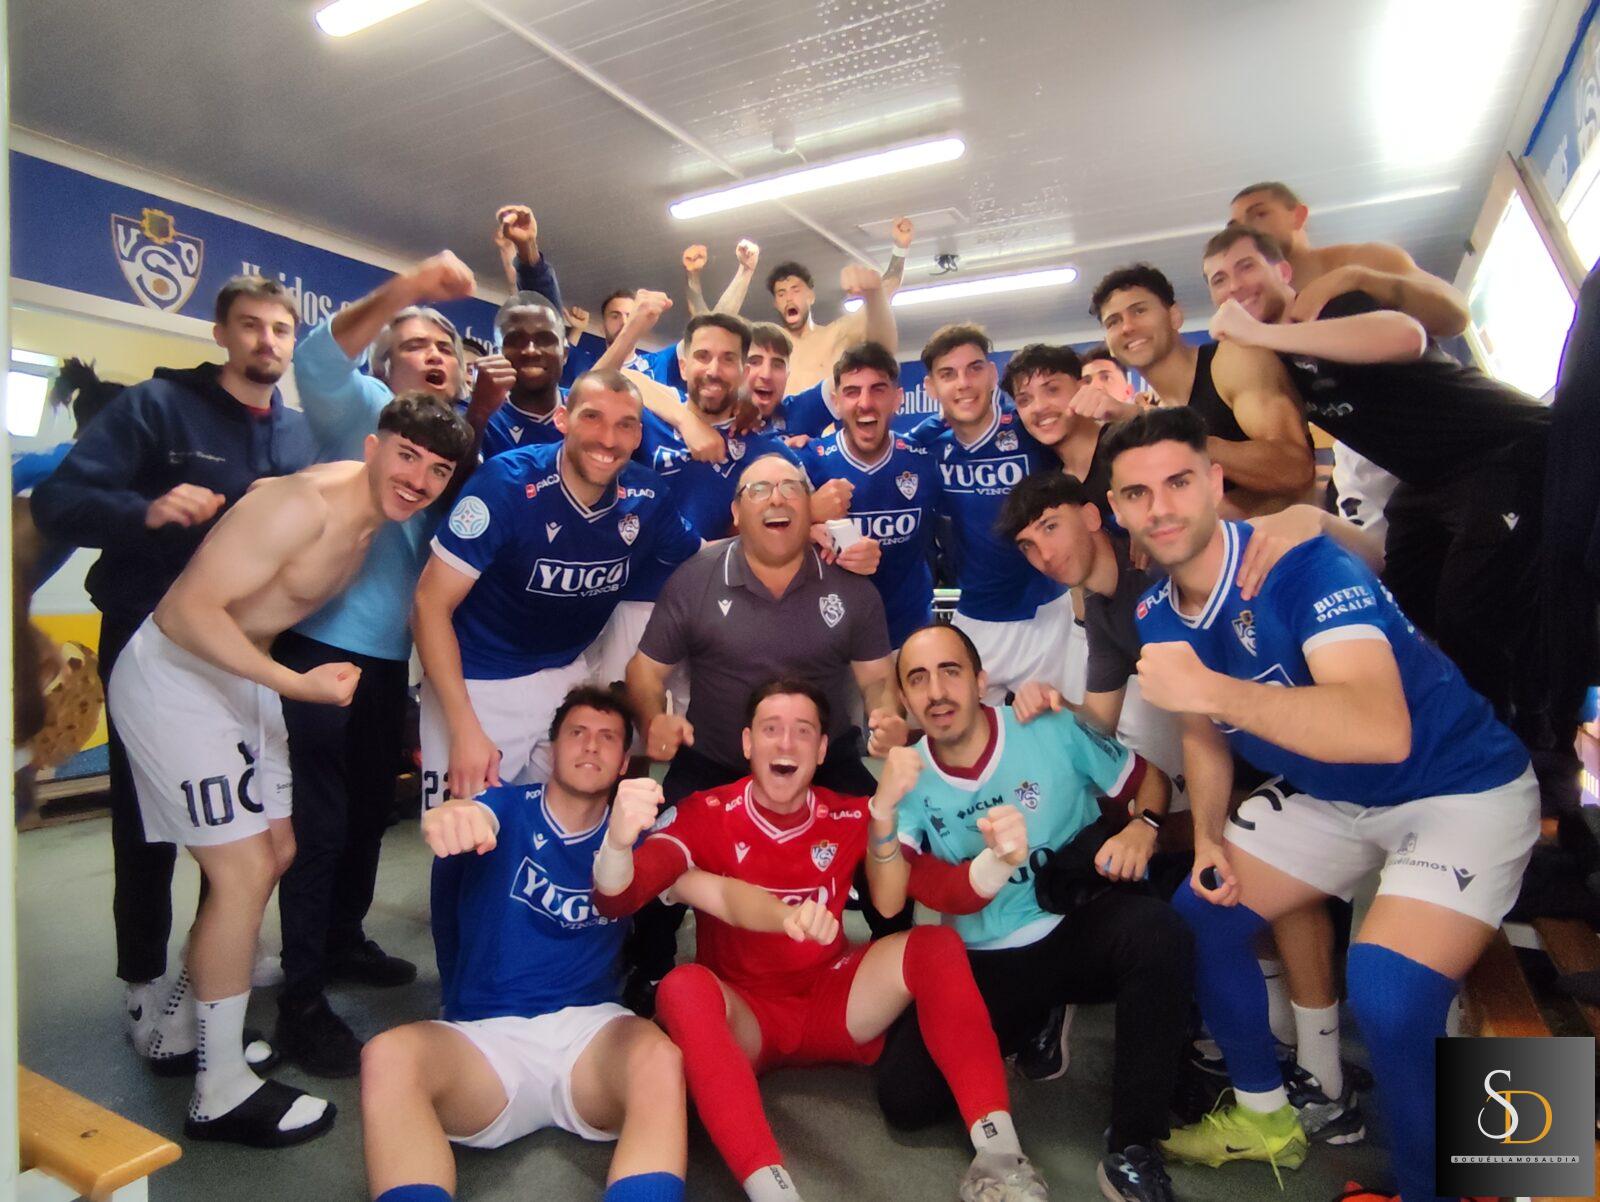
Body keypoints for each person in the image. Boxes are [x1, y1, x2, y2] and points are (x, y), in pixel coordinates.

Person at [1105, 407, 1538, 1202]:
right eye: (1137, 493)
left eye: (1177, 482)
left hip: (1459, 788)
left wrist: (1211, 687)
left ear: (1214, 482)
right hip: (1335, 796)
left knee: (1388, 994)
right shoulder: (1155, 612)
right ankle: (1269, 1117)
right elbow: (1203, 735)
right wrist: (1208, 837)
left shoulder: (1302, 566)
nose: (1160, 508)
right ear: (1118, 508)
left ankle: (1436, 1188)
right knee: (1197, 914)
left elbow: (1380, 729)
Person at [106, 392, 475, 1148]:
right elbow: (186, 613)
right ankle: (219, 1091)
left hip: (240, 681)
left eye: (437, 470)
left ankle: (179, 1023)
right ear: (373, 447)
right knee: (242, 871)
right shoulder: (299, 506)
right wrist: (298, 686)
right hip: (176, 678)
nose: (418, 479)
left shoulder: (378, 518)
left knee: (277, 851)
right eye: (407, 456)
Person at [362, 684, 830, 1202]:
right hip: (485, 1038)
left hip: (591, 1038)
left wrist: (786, 914)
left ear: (624, 762)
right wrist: (449, 817)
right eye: (577, 733)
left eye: (608, 738)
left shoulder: (634, 840)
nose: (590, 745)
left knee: (660, 1058)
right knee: (388, 1056)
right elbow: (469, 815)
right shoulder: (506, 806)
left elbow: (717, 892)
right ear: (552, 749)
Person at [592, 679, 1049, 1202]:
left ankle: (1001, 1154)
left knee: (934, 945)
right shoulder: (703, 811)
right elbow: (619, 897)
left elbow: (938, 888)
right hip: (746, 1016)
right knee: (682, 987)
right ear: (747, 743)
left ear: (823, 749)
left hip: (833, 998)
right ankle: (773, 1191)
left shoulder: (849, 813)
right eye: (771, 729)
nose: (786, 743)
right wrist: (618, 843)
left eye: (803, 731)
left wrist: (998, 862)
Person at [31, 275, 317, 1065]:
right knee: (150, 821)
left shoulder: (297, 437)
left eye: (280, 328)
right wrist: (145, 510)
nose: (266, 340)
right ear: (221, 334)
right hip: (147, 637)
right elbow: (58, 501)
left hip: (243, 646)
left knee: (242, 818)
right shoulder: (156, 409)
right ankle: (143, 982)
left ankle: (210, 968)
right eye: (250, 325)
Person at [273, 249, 500, 1076]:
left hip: (384, 662)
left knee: (369, 814)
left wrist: (483, 410)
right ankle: (299, 1001)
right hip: (316, 650)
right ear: (384, 366)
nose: (434, 355)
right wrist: (410, 289)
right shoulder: (364, 408)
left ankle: (342, 941)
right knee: (320, 830)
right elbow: (316, 358)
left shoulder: (445, 446)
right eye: (415, 346)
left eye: (445, 346)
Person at [868, 624, 1187, 1202]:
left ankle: (1136, 1144)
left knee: (1159, 933)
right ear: (907, 699)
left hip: (1075, 924)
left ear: (980, 681)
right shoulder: (908, 772)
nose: (936, 691)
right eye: (918, 679)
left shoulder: (1046, 726)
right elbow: (889, 900)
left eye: (950, 672)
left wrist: (1143, 827)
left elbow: (1149, 781)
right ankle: (1038, 1019)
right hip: (988, 957)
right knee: (905, 1099)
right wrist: (884, 807)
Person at [1200, 225, 1552, 748]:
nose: (1235, 285)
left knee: (1469, 610)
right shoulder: (1272, 365)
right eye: (1219, 280)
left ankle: (1523, 752)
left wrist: (1262, 334)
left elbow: (1405, 337)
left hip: (1507, 448)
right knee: (1400, 599)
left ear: (1284, 271)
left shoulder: (1328, 309)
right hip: (1431, 482)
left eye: (1246, 266)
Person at [622, 452, 897, 1003]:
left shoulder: (850, 586)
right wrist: (654, 718)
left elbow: (877, 680)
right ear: (736, 512)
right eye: (759, 489)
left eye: (791, 487)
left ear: (809, 507)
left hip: (825, 761)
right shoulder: (696, 579)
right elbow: (644, 672)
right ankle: (649, 975)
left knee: (889, 839)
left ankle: (897, 968)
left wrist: (885, 713)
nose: (776, 498)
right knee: (654, 848)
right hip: (716, 757)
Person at [413, 371, 702, 809]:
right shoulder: (505, 484)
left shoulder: (648, 496)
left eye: (624, 425)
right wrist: (463, 727)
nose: (608, 439)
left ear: (638, 435)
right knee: (465, 830)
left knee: (568, 819)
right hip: (476, 683)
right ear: (563, 419)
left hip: (567, 676)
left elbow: (700, 556)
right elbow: (428, 604)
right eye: (592, 417)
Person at [906, 323, 1082, 704]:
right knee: (977, 734)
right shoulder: (925, 449)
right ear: (931, 388)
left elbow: (1098, 455)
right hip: (974, 619)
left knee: (1060, 730)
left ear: (991, 374)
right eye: (948, 374)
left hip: (1048, 617)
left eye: (974, 369)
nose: (963, 383)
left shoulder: (1033, 430)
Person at [1089, 264, 1314, 515]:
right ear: (1110, 345)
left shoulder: (1233, 361)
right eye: (1113, 322)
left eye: (1139, 310)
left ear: (1175, 316)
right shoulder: (1159, 411)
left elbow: (1296, 470)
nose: (1127, 327)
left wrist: (1182, 437)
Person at [797, 341, 941, 647]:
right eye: (852, 391)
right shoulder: (808, 460)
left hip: (910, 637)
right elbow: (759, 530)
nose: (865, 403)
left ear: (897, 399)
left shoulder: (925, 459)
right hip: (834, 640)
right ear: (836, 403)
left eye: (878, 389)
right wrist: (806, 523)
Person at [765, 216, 911, 394]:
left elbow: (887, 287)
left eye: (795, 290)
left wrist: (900, 248)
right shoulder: (768, 345)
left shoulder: (836, 336)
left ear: (811, 296)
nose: (788, 298)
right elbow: (730, 325)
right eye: (781, 293)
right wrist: (745, 271)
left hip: (829, 413)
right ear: (775, 303)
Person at [480, 291, 568, 460]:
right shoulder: (480, 416)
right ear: (498, 353)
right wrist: (478, 414)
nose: (530, 351)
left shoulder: (586, 410)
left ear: (564, 354)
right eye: (515, 341)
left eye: (545, 340)